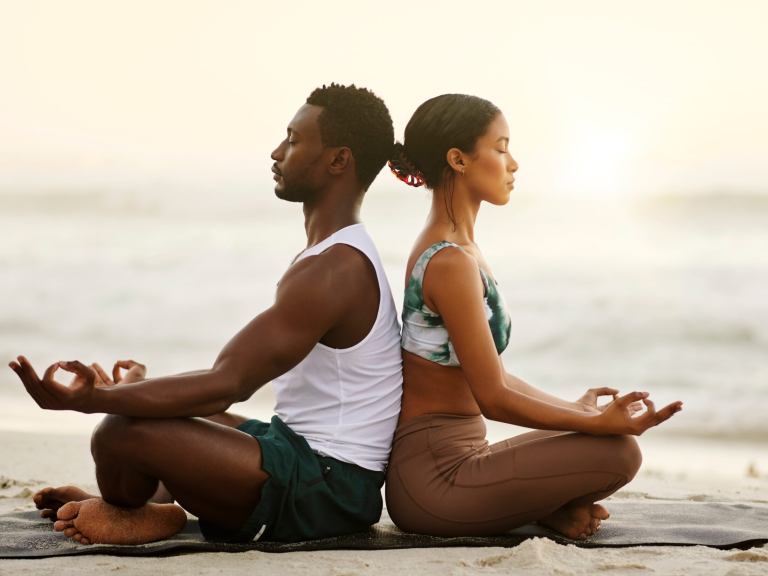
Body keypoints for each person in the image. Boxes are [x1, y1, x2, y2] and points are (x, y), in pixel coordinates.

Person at [8, 83, 403, 546]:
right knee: (157, 408)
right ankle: (143, 509)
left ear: (339, 160)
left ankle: (136, 511)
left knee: (117, 433)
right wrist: (129, 389)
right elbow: (220, 388)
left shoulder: (335, 269)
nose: (277, 152)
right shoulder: (331, 254)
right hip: (300, 453)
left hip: (327, 488)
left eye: (294, 140)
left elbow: (228, 380)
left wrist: (94, 399)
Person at [384, 94, 683, 540]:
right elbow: (494, 397)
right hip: (433, 481)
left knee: (610, 444)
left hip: (464, 456)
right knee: (620, 453)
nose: (514, 164)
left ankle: (543, 511)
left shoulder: (461, 250)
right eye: (501, 148)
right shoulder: (449, 261)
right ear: (458, 160)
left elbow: (496, 375)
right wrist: (595, 422)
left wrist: (573, 408)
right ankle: (541, 510)